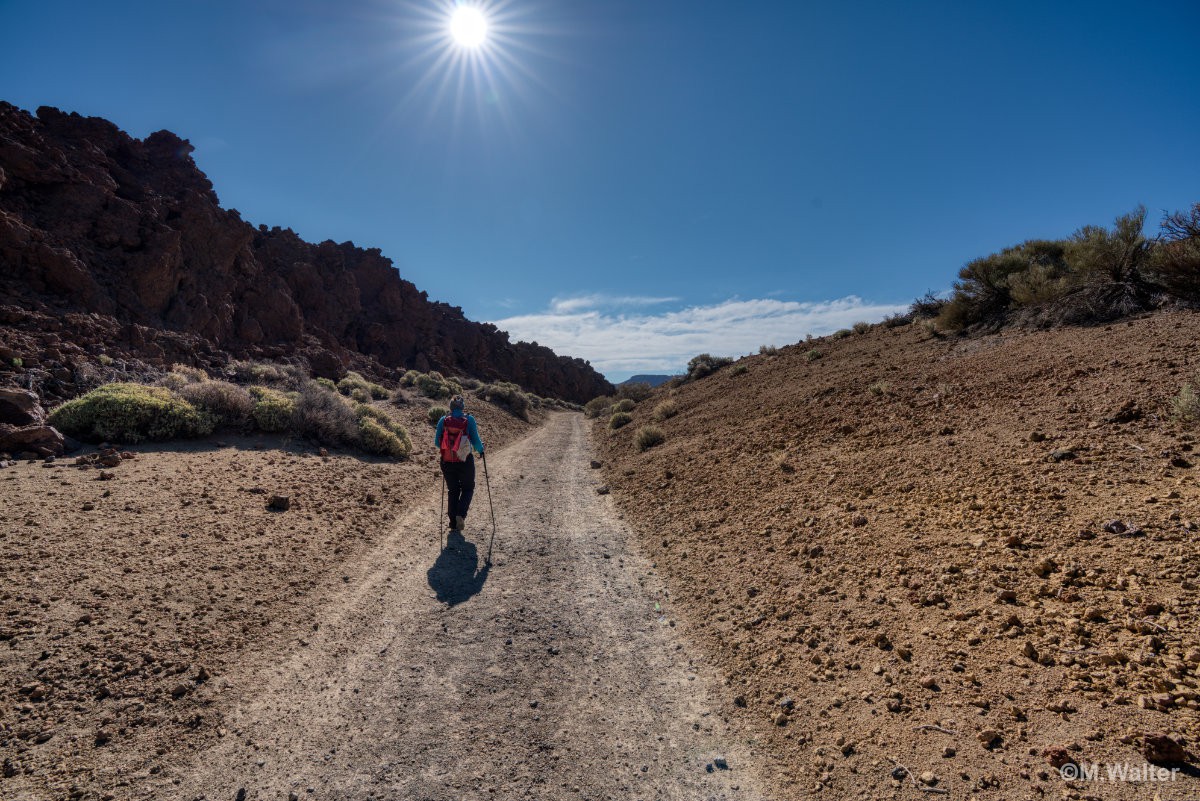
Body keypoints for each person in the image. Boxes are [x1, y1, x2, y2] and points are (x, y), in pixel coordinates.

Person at [435, 395, 485, 533]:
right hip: (465, 461)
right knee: (468, 488)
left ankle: (452, 522)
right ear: (462, 407)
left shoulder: (443, 420)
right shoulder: (469, 419)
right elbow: (475, 441)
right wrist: (481, 450)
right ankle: (460, 515)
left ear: (450, 407)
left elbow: (436, 442)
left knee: (453, 491)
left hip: (447, 461)